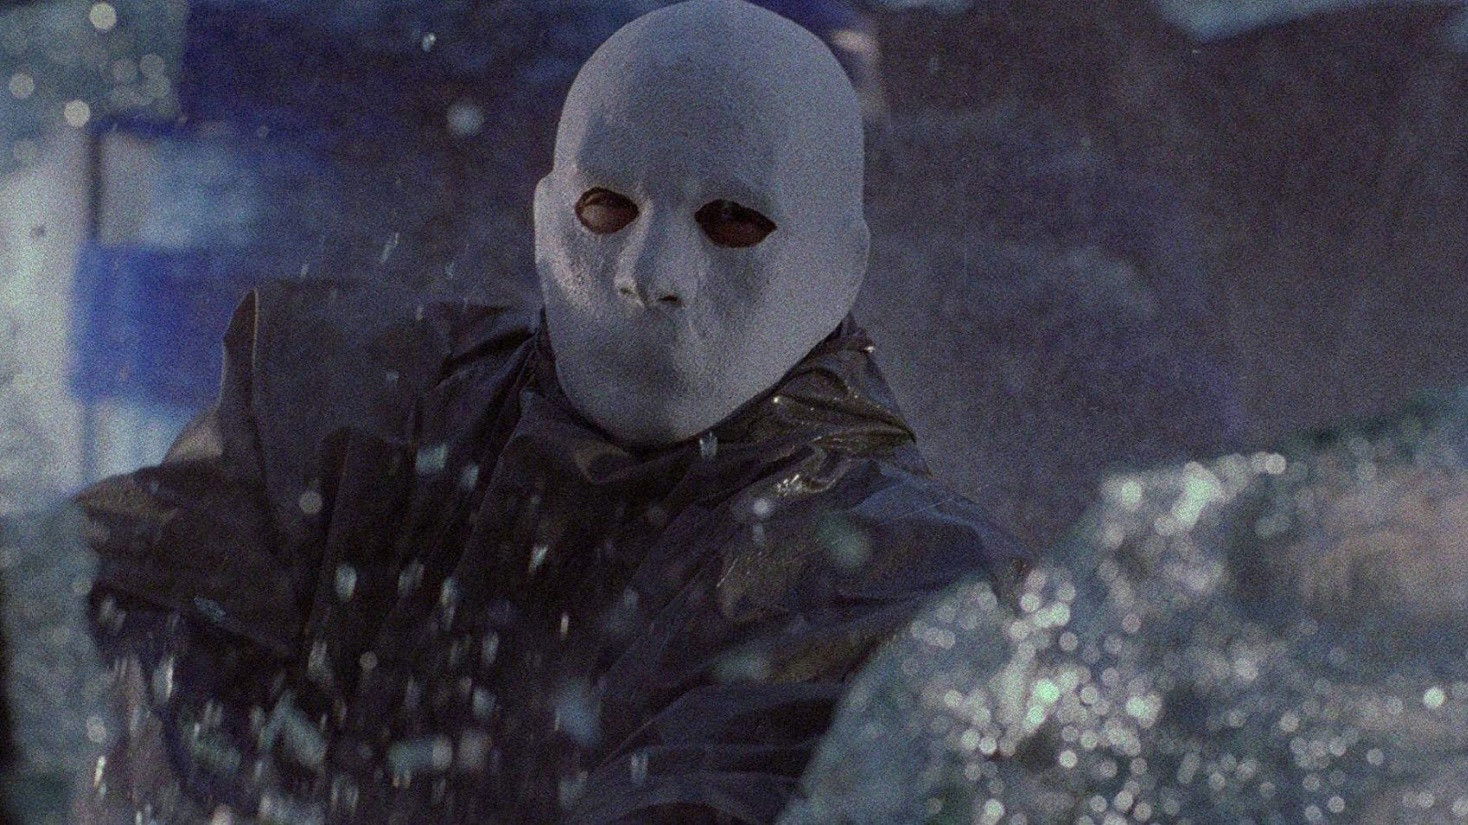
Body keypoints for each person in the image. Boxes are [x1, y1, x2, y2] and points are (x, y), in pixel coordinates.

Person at [74, 1, 1029, 822]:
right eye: (608, 208)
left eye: (733, 221)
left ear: (840, 267)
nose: (651, 274)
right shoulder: (350, 419)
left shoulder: (908, 591)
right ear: (544, 224)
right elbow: (69, 642)